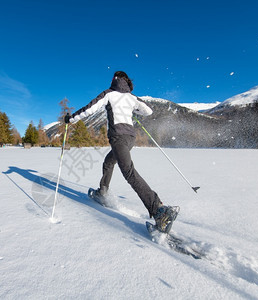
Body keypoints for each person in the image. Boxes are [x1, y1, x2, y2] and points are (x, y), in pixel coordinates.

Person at [66, 71, 178, 233]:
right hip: (130, 138)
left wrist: (71, 119)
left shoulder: (109, 94)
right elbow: (148, 111)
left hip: (118, 137)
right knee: (109, 161)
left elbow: (89, 109)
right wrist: (134, 110)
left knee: (128, 172)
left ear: (114, 80)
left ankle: (159, 210)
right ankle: (102, 191)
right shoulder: (131, 97)